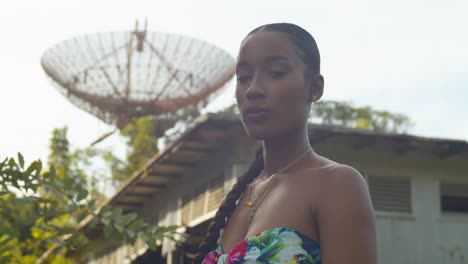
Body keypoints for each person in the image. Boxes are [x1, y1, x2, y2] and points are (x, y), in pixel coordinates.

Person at [193, 23, 377, 264]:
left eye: (276, 72)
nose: (252, 90)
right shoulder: (242, 194)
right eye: (244, 77)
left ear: (315, 88)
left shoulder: (337, 184)